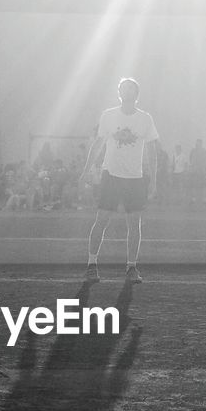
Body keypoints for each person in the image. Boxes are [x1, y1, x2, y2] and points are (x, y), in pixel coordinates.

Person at [83, 77, 159, 284]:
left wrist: (153, 179)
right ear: (119, 93)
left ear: (136, 94)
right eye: (123, 88)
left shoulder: (145, 119)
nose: (127, 91)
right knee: (101, 220)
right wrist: (86, 169)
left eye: (131, 88)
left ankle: (131, 267)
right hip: (111, 175)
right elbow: (98, 144)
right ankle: (91, 264)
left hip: (135, 178)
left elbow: (152, 151)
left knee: (134, 225)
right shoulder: (108, 116)